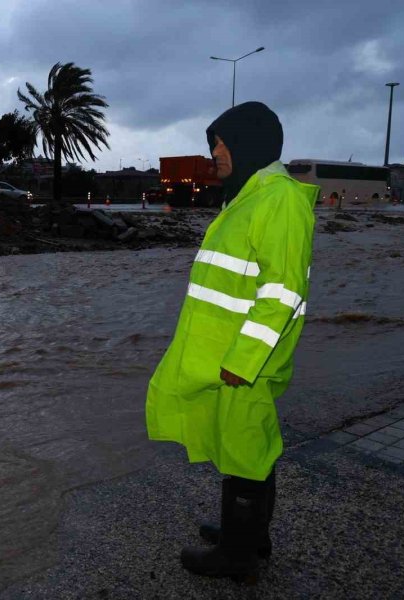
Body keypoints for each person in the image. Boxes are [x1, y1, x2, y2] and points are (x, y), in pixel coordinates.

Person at [145, 101, 318, 580]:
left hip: (246, 360)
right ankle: (248, 535)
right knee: (245, 446)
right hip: (228, 356)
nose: (215, 152)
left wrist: (244, 359)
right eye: (213, 143)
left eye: (221, 142)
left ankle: (238, 558)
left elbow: (282, 292)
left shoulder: (278, 198)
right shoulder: (247, 196)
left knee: (245, 449)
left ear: (249, 142)